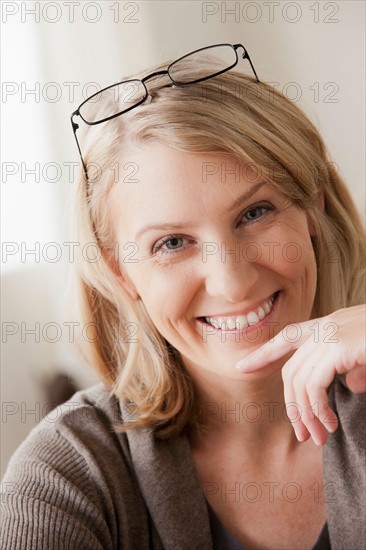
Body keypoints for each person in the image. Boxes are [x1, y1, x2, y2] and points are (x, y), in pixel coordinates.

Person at [1, 43, 365, 550]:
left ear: (312, 212)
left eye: (255, 213)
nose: (231, 282)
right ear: (122, 273)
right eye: (171, 243)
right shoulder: (70, 472)